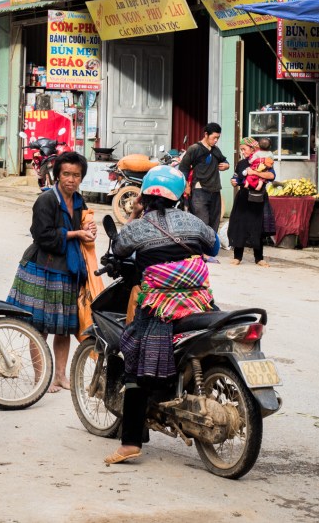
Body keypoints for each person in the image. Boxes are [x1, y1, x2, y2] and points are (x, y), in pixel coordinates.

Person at [104, 166, 219, 465]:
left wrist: (134, 214)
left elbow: (117, 249)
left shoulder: (139, 227)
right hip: (198, 303)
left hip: (158, 308)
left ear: (144, 195)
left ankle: (130, 443)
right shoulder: (192, 221)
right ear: (179, 195)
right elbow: (215, 246)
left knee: (133, 360)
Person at [7, 151, 96, 393]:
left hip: (67, 269)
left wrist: (88, 229)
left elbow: (83, 228)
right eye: (66, 174)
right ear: (57, 175)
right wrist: (76, 234)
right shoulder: (46, 200)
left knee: (64, 327)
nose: (71, 179)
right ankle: (41, 376)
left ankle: (60, 376)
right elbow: (42, 235)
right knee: (40, 328)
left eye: (76, 175)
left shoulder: (79, 201)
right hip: (42, 268)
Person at [228, 137, 275, 268]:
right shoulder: (241, 163)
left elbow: (271, 176)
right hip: (243, 198)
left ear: (253, 148)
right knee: (240, 226)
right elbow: (236, 177)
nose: (243, 152)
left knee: (257, 227)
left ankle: (259, 258)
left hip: (258, 198)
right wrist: (233, 181)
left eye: (244, 149)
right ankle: (237, 256)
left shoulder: (265, 161)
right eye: (241, 150)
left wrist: (253, 172)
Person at [178, 123, 230, 234]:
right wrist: (186, 186)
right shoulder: (194, 149)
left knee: (214, 223)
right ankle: (200, 250)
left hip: (215, 190)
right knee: (202, 222)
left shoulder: (216, 150)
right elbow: (183, 168)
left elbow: (224, 160)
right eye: (214, 137)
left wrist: (227, 165)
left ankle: (209, 249)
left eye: (218, 138)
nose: (216, 140)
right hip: (199, 191)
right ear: (206, 134)